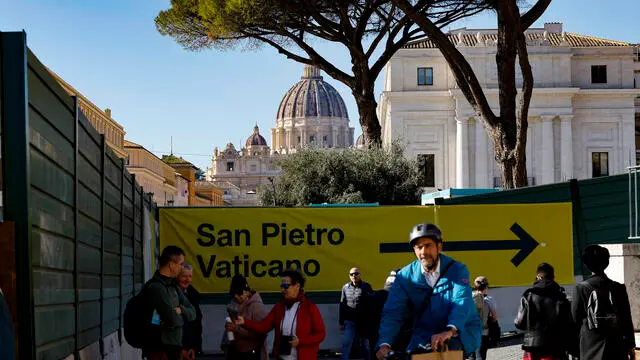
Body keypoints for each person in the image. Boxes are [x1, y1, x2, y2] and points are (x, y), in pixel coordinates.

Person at [375, 223, 482, 360]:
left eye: (428, 245)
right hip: (424, 335)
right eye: (419, 247)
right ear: (414, 250)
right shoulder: (405, 276)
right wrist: (385, 343)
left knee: (449, 352)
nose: (423, 252)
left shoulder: (457, 270)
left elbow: (461, 302)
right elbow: (393, 312)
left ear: (439, 247)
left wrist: (450, 330)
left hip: (460, 331)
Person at [227, 269, 326, 360]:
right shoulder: (278, 308)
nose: (282, 290)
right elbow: (263, 327)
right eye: (281, 286)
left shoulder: (310, 308)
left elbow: (321, 334)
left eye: (286, 286)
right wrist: (244, 322)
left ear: (297, 286)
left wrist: (300, 341)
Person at [571, 245, 636, 360]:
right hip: (616, 345)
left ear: (587, 265)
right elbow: (626, 318)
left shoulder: (581, 288)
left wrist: (574, 348)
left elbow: (575, 320)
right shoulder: (618, 288)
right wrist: (630, 345)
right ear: (607, 263)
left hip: (590, 346)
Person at [144, 245, 196, 360]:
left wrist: (180, 310)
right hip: (161, 348)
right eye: (181, 264)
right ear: (172, 265)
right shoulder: (156, 287)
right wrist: (177, 316)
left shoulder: (173, 286)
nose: (182, 268)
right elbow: (172, 319)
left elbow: (193, 313)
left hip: (175, 348)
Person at [514, 263, 572, 360]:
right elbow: (568, 322)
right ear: (553, 277)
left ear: (538, 277)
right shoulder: (561, 295)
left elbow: (519, 323)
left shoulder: (528, 294)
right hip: (556, 346)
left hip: (533, 347)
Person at [224, 274, 269, 360]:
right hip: (236, 351)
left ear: (247, 291)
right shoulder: (233, 305)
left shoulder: (257, 307)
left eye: (239, 293)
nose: (236, 296)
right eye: (234, 293)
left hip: (252, 353)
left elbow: (261, 335)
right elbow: (231, 332)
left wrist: (237, 329)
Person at [361, 269, 400, 359]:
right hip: (391, 339)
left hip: (374, 336)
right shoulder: (399, 299)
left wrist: (366, 333)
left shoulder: (373, 297)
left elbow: (363, 317)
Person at [340, 266, 373, 360]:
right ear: (349, 276)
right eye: (352, 274)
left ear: (360, 275)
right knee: (346, 344)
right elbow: (342, 305)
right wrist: (341, 322)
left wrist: (371, 320)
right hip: (350, 321)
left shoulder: (366, 286)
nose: (354, 276)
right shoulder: (345, 288)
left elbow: (372, 303)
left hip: (364, 322)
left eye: (356, 274)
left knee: (365, 346)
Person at [177, 263, 203, 360]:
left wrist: (194, 347)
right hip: (175, 351)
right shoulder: (169, 295)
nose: (188, 280)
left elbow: (196, 325)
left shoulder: (193, 296)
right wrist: (180, 349)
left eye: (190, 276)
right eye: (184, 276)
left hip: (190, 351)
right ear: (177, 276)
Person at [469, 276, 498, 360]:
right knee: (480, 356)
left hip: (470, 332)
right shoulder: (489, 300)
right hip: (482, 333)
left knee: (471, 357)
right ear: (486, 286)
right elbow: (494, 317)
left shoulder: (470, 298)